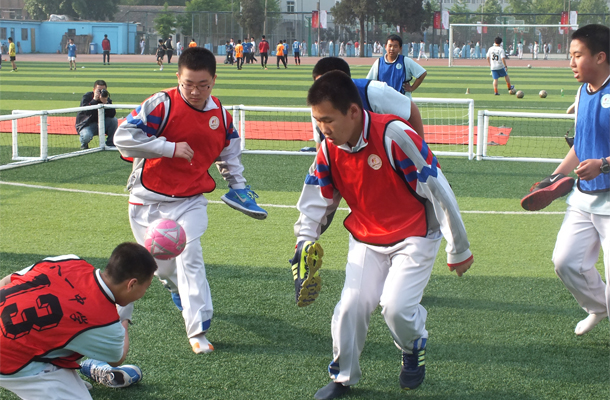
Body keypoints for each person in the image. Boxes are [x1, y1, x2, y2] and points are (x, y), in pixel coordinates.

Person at [297, 71, 473, 400]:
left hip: (416, 235)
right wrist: (304, 242)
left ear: (353, 111)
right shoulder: (327, 151)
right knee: (350, 306)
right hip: (366, 237)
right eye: (318, 121)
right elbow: (314, 205)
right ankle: (342, 378)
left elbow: (438, 190)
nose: (323, 129)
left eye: (328, 120)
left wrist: (458, 248)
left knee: (395, 307)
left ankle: (413, 344)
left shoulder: (394, 135)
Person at [113, 47, 268, 355]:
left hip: (190, 201)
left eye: (203, 85)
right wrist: (167, 148)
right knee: (162, 270)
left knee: (190, 256)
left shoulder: (221, 114)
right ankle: (175, 290)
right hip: (146, 202)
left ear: (214, 80)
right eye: (188, 84)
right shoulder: (161, 104)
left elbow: (230, 153)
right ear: (178, 78)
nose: (196, 91)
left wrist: (237, 185)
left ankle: (197, 329)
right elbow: (122, 138)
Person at [0, 242, 157, 400]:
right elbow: (117, 358)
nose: (144, 293)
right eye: (146, 287)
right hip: (9, 359)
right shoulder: (105, 322)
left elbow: (8, 281)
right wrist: (124, 318)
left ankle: (72, 376)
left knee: (68, 330)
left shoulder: (69, 260)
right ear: (132, 284)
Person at [545, 24, 610, 336]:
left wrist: (604, 165)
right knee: (566, 261)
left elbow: (598, 160)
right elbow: (581, 146)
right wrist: (555, 176)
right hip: (584, 198)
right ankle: (599, 307)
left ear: (600, 57)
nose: (571, 62)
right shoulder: (582, 92)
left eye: (577, 55)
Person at [310, 57, 425, 151]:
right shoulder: (318, 104)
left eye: (327, 86)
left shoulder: (375, 92)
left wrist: (420, 152)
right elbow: (320, 142)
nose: (321, 92)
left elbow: (410, 111)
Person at [366, 34, 427, 99]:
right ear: (386, 47)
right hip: (383, 102)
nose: (392, 49)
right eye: (390, 46)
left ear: (400, 48)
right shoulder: (378, 62)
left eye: (395, 46)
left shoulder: (405, 61)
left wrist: (412, 88)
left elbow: (422, 73)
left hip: (402, 101)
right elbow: (368, 81)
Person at [75, 80, 118, 149]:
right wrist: (94, 100)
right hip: (87, 124)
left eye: (103, 90)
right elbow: (86, 112)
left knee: (113, 121)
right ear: (93, 90)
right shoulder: (87, 97)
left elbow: (112, 114)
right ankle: (84, 143)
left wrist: (106, 103)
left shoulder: (106, 98)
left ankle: (110, 143)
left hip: (101, 124)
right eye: (99, 90)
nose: (101, 93)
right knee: (86, 137)